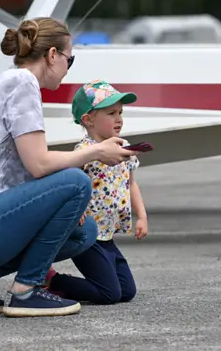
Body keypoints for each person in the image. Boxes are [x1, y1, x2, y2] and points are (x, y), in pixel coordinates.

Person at [0, 18, 140, 317]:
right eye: (69, 59)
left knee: (84, 231)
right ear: (52, 56)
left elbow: (29, 169)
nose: (68, 67)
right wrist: (97, 151)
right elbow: (39, 164)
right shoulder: (22, 84)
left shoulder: (12, 82)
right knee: (76, 182)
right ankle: (26, 291)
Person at [44, 80, 149, 305]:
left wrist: (142, 216)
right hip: (89, 235)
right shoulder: (84, 152)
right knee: (109, 294)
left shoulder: (124, 147)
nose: (119, 118)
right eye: (111, 113)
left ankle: (77, 284)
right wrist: (76, 207)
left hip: (108, 234)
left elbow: (131, 184)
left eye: (120, 112)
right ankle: (53, 282)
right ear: (88, 120)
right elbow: (71, 184)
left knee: (127, 292)